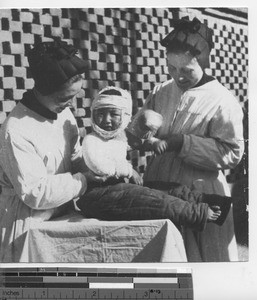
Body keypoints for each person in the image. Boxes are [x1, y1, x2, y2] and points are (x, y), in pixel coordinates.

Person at [127, 17, 245, 262]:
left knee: (201, 260)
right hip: (159, 186)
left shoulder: (222, 100)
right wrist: (139, 130)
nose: (177, 76)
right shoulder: (162, 91)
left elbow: (232, 153)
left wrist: (182, 143)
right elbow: (137, 132)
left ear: (203, 61)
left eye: (186, 70)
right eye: (171, 68)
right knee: (164, 257)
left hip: (200, 192)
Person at [76, 86, 232, 232]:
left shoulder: (119, 137)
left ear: (124, 116)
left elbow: (138, 142)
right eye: (100, 114)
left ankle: (208, 200)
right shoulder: (91, 140)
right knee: (152, 200)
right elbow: (100, 167)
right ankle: (196, 213)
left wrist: (156, 143)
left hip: (119, 189)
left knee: (167, 189)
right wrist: (130, 171)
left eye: (113, 114)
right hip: (97, 196)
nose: (106, 120)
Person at [0, 39, 99, 262]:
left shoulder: (63, 114)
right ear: (43, 89)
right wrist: (84, 179)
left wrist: (97, 162)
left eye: (75, 96)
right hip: (27, 227)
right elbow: (35, 193)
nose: (72, 105)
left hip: (63, 217)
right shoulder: (16, 130)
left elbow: (73, 156)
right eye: (65, 98)